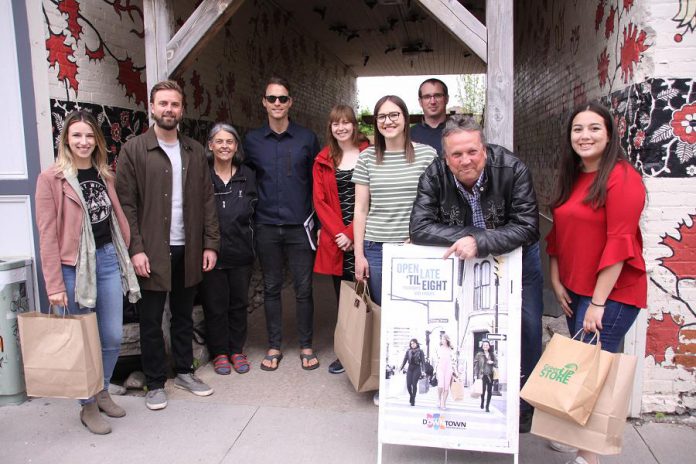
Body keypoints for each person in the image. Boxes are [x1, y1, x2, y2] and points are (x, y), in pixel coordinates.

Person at [409, 114, 543, 431]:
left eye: (472, 151)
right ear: (446, 157)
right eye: (457, 154)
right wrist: (471, 237)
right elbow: (418, 227)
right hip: (467, 263)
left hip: (518, 260)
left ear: (483, 148)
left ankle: (526, 405)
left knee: (528, 329)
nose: (466, 160)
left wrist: (478, 240)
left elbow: (528, 226)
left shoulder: (512, 168)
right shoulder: (434, 175)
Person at [546, 102, 646, 464]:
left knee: (596, 374)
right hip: (575, 290)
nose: (584, 136)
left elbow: (621, 245)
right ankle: (578, 437)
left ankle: (589, 458)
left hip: (611, 294)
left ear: (609, 133)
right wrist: (557, 281)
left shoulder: (622, 178)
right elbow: (558, 234)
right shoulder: (573, 175)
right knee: (583, 366)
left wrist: (599, 303)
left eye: (594, 128)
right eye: (577, 129)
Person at [35, 110, 141, 434]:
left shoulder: (103, 173)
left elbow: (115, 216)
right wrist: (54, 285)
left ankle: (102, 389)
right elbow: (47, 235)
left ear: (97, 140)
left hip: (107, 260)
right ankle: (87, 405)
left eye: (89, 135)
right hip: (74, 268)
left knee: (110, 335)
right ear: (66, 138)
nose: (83, 141)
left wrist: (127, 246)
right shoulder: (51, 179)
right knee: (84, 341)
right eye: (76, 135)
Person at [116, 80, 220, 410]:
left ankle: (185, 371)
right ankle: (156, 382)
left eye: (174, 104)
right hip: (151, 250)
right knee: (149, 319)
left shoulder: (193, 150)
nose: (169, 109)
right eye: (163, 104)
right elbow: (126, 205)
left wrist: (210, 244)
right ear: (152, 107)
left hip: (187, 247)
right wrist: (136, 249)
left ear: (182, 109)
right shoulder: (134, 149)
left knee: (183, 315)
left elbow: (206, 201)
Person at [244, 76, 321, 372]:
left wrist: (319, 220)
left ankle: (306, 345)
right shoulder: (252, 140)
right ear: (264, 102)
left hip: (300, 226)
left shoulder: (307, 138)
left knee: (303, 288)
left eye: (283, 98)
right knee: (272, 287)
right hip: (265, 224)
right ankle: (274, 345)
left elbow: (319, 181)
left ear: (290, 103)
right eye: (272, 98)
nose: (277, 103)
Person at [353, 95, 438, 306]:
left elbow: (437, 204)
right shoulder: (366, 158)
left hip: (415, 245)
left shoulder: (427, 155)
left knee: (416, 310)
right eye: (381, 116)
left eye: (394, 115)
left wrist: (422, 235)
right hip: (376, 248)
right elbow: (360, 209)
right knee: (383, 313)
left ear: (405, 118)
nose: (387, 121)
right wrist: (358, 255)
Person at [313, 104, 369, 375]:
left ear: (354, 125)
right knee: (345, 300)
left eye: (346, 122)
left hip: (366, 236)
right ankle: (345, 354)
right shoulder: (324, 159)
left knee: (369, 297)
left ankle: (368, 353)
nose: (342, 127)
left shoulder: (369, 154)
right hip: (338, 243)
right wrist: (340, 236)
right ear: (331, 127)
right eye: (336, 123)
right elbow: (320, 202)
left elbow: (373, 199)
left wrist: (350, 233)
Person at [199, 123, 257, 376]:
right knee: (215, 305)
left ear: (236, 146)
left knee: (238, 304)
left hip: (241, 250)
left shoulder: (247, 175)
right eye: (219, 141)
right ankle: (220, 352)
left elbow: (255, 210)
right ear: (210, 145)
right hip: (211, 252)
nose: (225, 146)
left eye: (230, 142)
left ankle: (236, 350)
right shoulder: (201, 175)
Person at [410, 78, 449, 156]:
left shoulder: (459, 131)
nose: (433, 102)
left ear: (446, 99)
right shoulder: (409, 135)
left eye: (437, 95)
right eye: (427, 97)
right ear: (420, 102)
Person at [399, 338, 426, 407]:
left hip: (417, 368)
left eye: (413, 343)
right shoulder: (408, 351)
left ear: (416, 344)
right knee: (408, 384)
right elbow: (404, 360)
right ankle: (411, 395)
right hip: (410, 368)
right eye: (411, 344)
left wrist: (423, 371)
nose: (412, 345)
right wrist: (401, 368)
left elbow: (423, 362)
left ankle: (413, 399)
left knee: (414, 384)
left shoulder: (420, 351)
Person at [474, 340, 497, 412]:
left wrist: (492, 362)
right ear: (482, 346)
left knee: (489, 391)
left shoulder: (492, 354)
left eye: (487, 345)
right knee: (483, 390)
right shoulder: (479, 354)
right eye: (484, 345)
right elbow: (476, 365)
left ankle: (487, 406)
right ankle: (482, 402)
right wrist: (475, 375)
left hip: (490, 375)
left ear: (489, 346)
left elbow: (496, 363)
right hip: (482, 375)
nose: (485, 346)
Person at [435, 334, 455, 410]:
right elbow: (436, 360)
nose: (442, 340)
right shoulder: (438, 348)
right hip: (440, 368)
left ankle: (444, 403)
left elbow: (454, 360)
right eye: (442, 339)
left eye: (444, 339)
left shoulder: (451, 349)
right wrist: (435, 370)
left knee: (446, 387)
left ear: (447, 340)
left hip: (449, 368)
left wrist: (455, 370)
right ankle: (439, 399)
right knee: (440, 385)